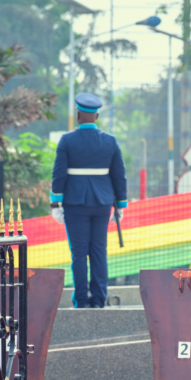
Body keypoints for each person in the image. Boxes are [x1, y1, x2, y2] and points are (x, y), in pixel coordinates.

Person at [50, 93, 127, 308]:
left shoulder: (67, 140)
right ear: (97, 116)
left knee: (79, 254)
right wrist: (120, 206)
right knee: (99, 251)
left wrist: (55, 204)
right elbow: (119, 176)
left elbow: (58, 175)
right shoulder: (110, 141)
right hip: (102, 203)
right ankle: (99, 298)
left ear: (78, 115)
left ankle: (82, 300)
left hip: (75, 203)